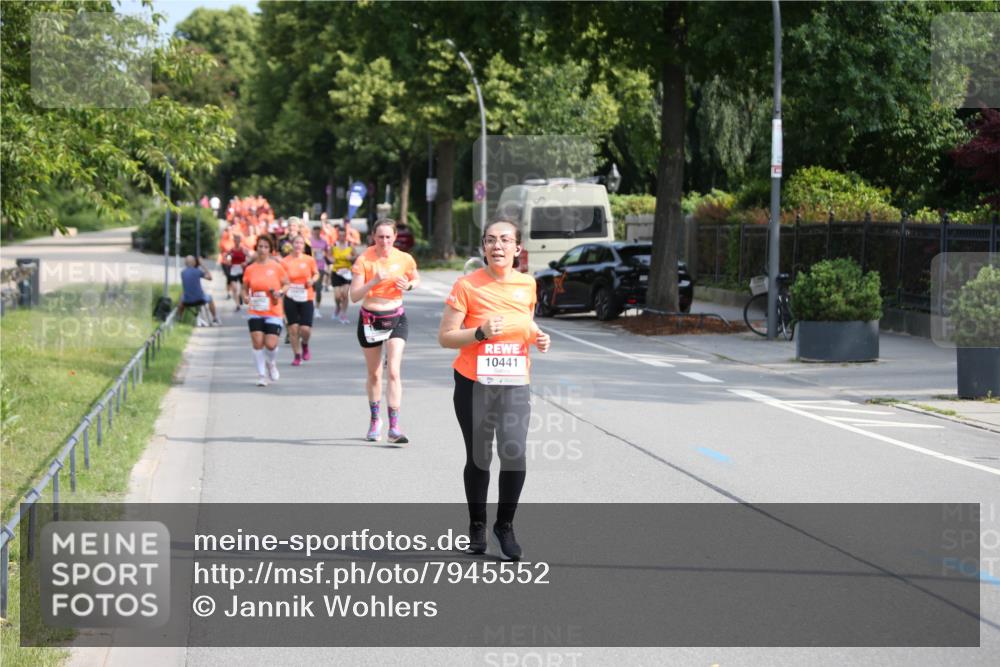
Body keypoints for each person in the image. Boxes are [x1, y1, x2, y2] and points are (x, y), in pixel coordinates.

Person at [438, 218, 551, 561]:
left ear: (518, 248)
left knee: (514, 450)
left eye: (504, 240)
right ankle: (477, 524)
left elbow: (523, 322)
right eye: (490, 240)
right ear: (483, 247)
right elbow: (445, 336)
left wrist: (538, 335)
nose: (497, 246)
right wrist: (480, 332)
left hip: (515, 381)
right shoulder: (467, 285)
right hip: (474, 382)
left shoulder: (528, 284)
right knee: (480, 455)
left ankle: (505, 524)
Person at [350, 219, 420, 443]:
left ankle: (394, 426)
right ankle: (374, 420)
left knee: (393, 372)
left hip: (395, 318)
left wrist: (408, 285)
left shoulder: (404, 258)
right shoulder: (364, 260)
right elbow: (354, 295)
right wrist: (373, 282)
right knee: (375, 374)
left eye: (389, 237)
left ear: (395, 237)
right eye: (380, 237)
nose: (385, 241)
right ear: (373, 237)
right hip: (370, 319)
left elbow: (416, 279)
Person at [242, 234, 289, 386]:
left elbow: (286, 284)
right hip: (255, 310)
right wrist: (245, 298)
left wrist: (280, 292)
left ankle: (271, 363)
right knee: (257, 342)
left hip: (273, 310)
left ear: (270, 250)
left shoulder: (276, 267)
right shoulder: (250, 269)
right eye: (260, 246)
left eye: (265, 247)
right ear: (256, 248)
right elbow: (244, 290)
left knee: (270, 344)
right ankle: (261, 375)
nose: (262, 249)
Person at [280, 235, 319, 366]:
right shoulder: (285, 261)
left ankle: (305, 345)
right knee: (293, 328)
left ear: (304, 246)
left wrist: (312, 280)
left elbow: (316, 274)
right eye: (296, 243)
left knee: (305, 329)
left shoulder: (309, 260)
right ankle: (297, 354)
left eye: (300, 243)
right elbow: (281, 279)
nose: (298, 245)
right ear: (292, 244)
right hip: (290, 296)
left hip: (306, 296)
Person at [178, 256, 221, 325]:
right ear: (194, 262)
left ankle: (179, 318)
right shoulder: (197, 271)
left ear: (185, 263)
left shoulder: (183, 273)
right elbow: (210, 278)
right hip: (200, 299)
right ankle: (214, 318)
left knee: (181, 299)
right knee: (210, 297)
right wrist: (202, 265)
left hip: (187, 301)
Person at [330, 224, 356, 324]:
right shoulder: (334, 245)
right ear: (337, 236)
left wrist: (352, 258)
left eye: (343, 235)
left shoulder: (350, 245)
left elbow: (356, 256)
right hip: (336, 272)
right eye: (340, 235)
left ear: (346, 236)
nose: (341, 237)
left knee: (345, 294)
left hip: (347, 272)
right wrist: (331, 259)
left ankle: (343, 314)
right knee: (337, 296)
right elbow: (328, 255)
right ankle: (337, 307)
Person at [309, 222, 331, 316]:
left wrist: (330, 263)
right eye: (315, 232)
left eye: (318, 232)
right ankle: (311, 305)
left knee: (318, 288)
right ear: (312, 232)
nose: (317, 234)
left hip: (320, 267)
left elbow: (328, 253)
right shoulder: (309, 241)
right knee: (311, 287)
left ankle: (317, 308)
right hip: (310, 267)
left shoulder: (323, 241)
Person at [226, 234, 248, 309]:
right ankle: (237, 304)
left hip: (242, 270)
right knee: (234, 288)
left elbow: (249, 258)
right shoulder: (231, 250)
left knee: (242, 288)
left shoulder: (244, 249)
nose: (237, 242)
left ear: (240, 241)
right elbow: (227, 257)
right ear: (234, 241)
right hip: (233, 270)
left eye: (238, 240)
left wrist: (245, 262)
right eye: (235, 240)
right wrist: (228, 260)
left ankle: (241, 297)